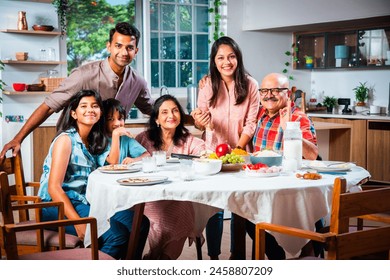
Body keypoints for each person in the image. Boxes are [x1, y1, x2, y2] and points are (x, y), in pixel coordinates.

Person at [0, 22, 154, 159]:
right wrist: (18, 138)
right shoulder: (83, 75)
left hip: (109, 154)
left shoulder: (137, 82)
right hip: (75, 151)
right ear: (109, 46)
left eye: (130, 48)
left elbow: (153, 110)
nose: (124, 52)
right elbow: (48, 107)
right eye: (118, 46)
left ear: (136, 50)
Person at [37, 90, 149, 259]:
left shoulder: (92, 142)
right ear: (74, 113)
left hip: (85, 201)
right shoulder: (65, 140)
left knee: (140, 223)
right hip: (54, 206)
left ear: (100, 113)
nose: (90, 109)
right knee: (116, 235)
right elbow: (54, 188)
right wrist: (78, 223)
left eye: (95, 106)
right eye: (84, 106)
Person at [190, 36, 260, 260]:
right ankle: (214, 257)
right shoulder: (207, 85)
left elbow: (251, 122)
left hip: (240, 152)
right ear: (214, 60)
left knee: (241, 206)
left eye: (231, 56)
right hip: (213, 152)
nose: (226, 62)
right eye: (220, 57)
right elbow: (201, 121)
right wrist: (200, 119)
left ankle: (237, 255)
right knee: (214, 207)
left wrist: (238, 150)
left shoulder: (251, 84)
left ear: (237, 58)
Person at [247, 72, 319, 259]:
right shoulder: (260, 115)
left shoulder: (297, 117)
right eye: (264, 90)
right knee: (247, 216)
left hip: (288, 189)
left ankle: (305, 253)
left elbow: (313, 154)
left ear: (288, 93)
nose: (269, 94)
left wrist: (290, 130)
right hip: (263, 184)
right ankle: (278, 261)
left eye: (276, 90)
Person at [135, 94, 205, 260]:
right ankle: (157, 257)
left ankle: (162, 258)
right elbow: (131, 162)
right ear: (157, 119)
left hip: (178, 197)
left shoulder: (188, 140)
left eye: (175, 111)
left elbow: (204, 154)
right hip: (149, 197)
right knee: (158, 216)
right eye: (164, 112)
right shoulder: (143, 139)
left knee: (182, 210)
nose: (171, 116)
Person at [102, 98, 150, 165]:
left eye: (120, 118)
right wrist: (115, 134)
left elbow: (147, 155)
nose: (117, 123)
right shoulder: (99, 140)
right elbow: (113, 163)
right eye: (110, 119)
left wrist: (134, 160)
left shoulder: (125, 138)